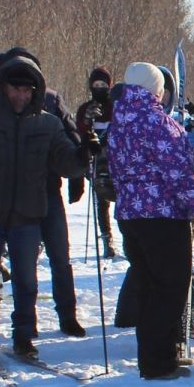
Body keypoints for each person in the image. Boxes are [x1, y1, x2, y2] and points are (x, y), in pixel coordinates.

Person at [0, 49, 88, 363]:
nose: (20, 95)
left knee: (27, 281)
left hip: (28, 215)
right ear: (3, 87)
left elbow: (66, 162)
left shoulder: (47, 124)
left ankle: (23, 336)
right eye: (15, 88)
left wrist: (84, 154)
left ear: (35, 90)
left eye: (26, 89)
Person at [108, 62, 194, 380]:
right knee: (170, 288)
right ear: (158, 90)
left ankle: (158, 355)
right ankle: (158, 362)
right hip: (162, 216)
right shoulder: (158, 122)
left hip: (131, 214)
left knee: (150, 286)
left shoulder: (118, 122)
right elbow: (178, 175)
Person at [38, 83, 88, 338]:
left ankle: (68, 316)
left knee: (60, 258)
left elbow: (71, 136)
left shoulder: (51, 100)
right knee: (23, 263)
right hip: (12, 198)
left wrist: (78, 173)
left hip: (49, 188)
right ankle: (23, 323)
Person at [75, 67, 120, 259]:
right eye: (96, 85)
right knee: (100, 202)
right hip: (95, 161)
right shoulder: (86, 108)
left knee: (121, 198)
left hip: (116, 160)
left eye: (103, 85)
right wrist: (87, 120)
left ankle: (127, 236)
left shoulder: (115, 106)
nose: (99, 88)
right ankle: (107, 241)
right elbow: (79, 134)